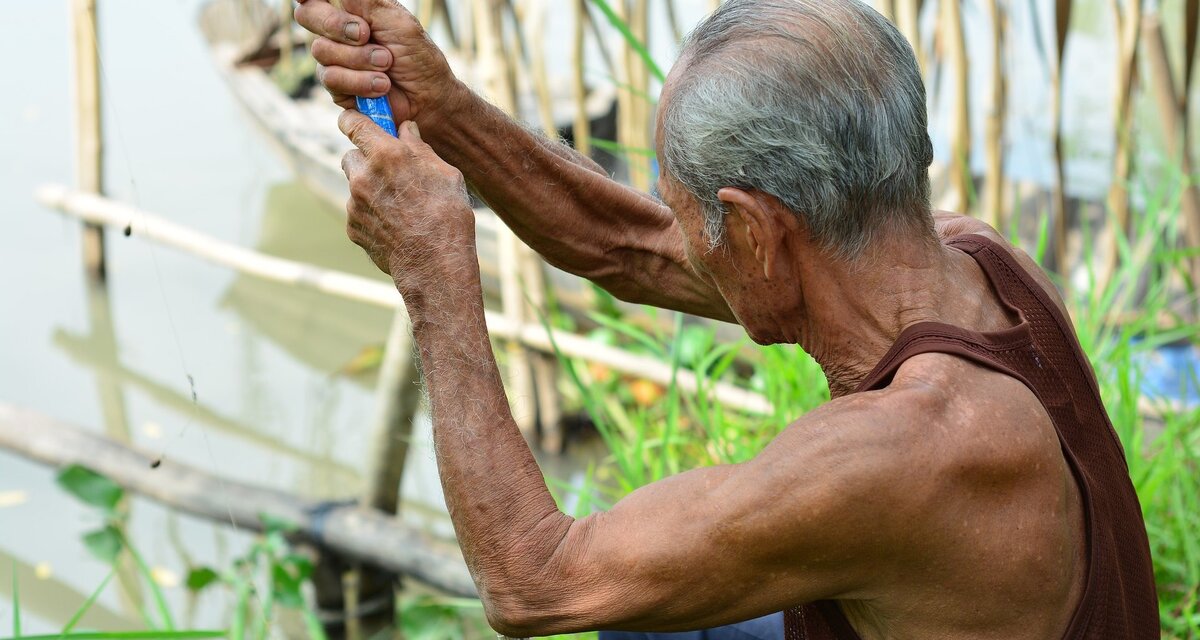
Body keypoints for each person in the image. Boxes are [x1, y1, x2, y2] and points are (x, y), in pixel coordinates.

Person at [294, 0, 1160, 638]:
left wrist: (435, 276)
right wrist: (445, 108)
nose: (682, 239)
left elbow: (535, 583)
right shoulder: (971, 256)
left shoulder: (903, 453)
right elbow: (625, 245)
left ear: (754, 231)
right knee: (653, 613)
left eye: (695, 218)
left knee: (620, 597)